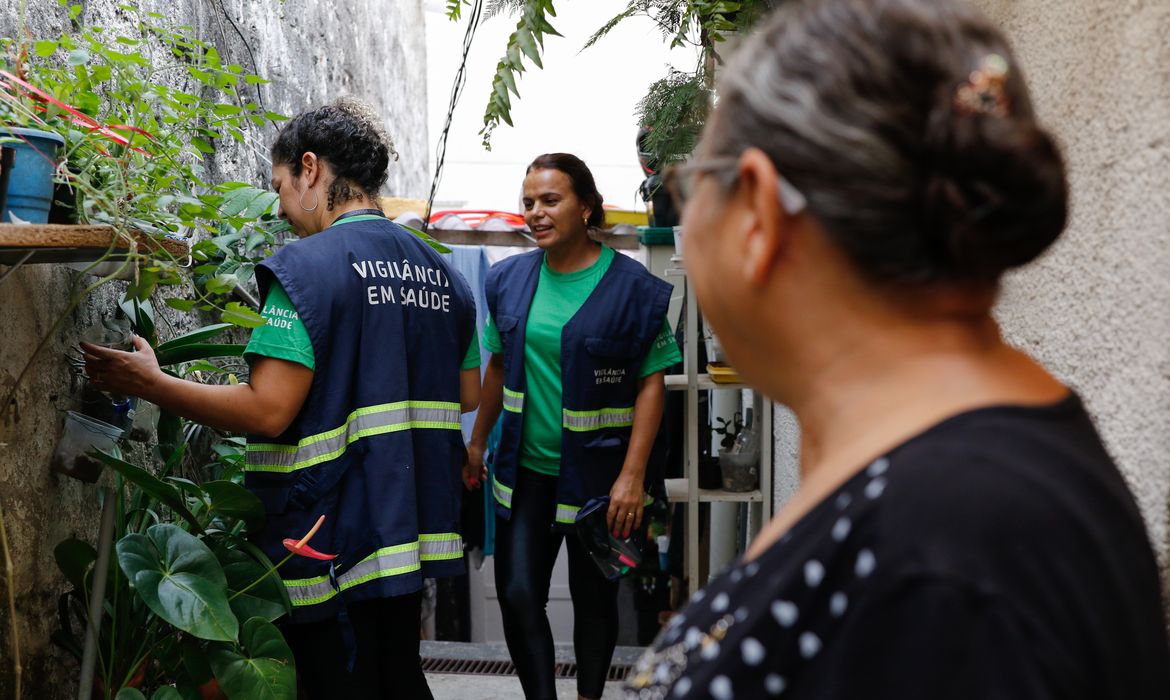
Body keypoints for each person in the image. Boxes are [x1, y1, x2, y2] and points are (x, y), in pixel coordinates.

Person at [625, 0, 1170, 698]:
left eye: (693, 186)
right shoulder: (943, 481)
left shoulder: (953, 545)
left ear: (757, 208)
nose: (686, 220)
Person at [83, 98, 481, 699]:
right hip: (409, 531)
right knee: (395, 673)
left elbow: (269, 409)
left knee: (337, 679)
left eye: (280, 185)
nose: (281, 206)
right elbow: (468, 392)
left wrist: (152, 382)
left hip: (326, 536)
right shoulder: (443, 275)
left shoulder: (306, 269)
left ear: (312, 169)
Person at [464, 153, 681, 700]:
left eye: (550, 200)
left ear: (586, 206)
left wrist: (632, 476)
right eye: (529, 203)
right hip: (526, 471)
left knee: (594, 599)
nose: (536, 213)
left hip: (601, 479)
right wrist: (478, 441)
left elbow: (651, 384)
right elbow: (497, 366)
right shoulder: (509, 281)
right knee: (516, 592)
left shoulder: (632, 288)